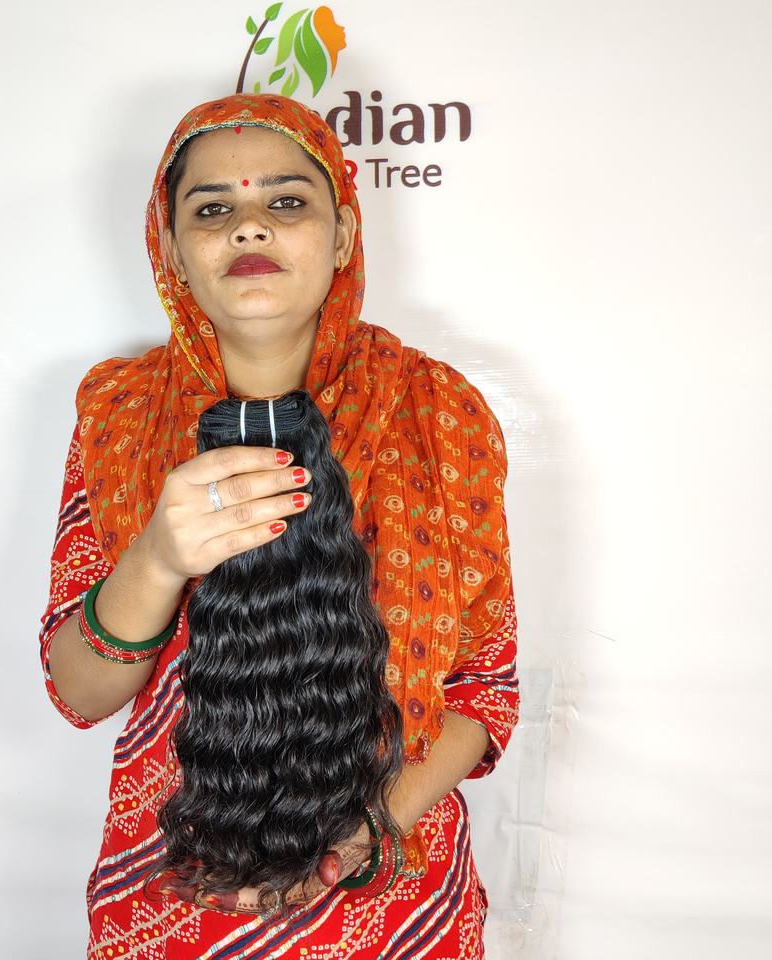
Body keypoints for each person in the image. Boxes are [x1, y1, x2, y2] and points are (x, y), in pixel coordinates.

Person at [38, 93, 520, 959]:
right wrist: (159, 557)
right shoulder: (119, 417)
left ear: (342, 234)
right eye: (211, 210)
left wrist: (373, 827)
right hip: (177, 897)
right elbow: (79, 693)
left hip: (391, 900)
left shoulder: (437, 412)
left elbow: (487, 686)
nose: (249, 227)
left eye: (287, 201)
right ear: (171, 249)